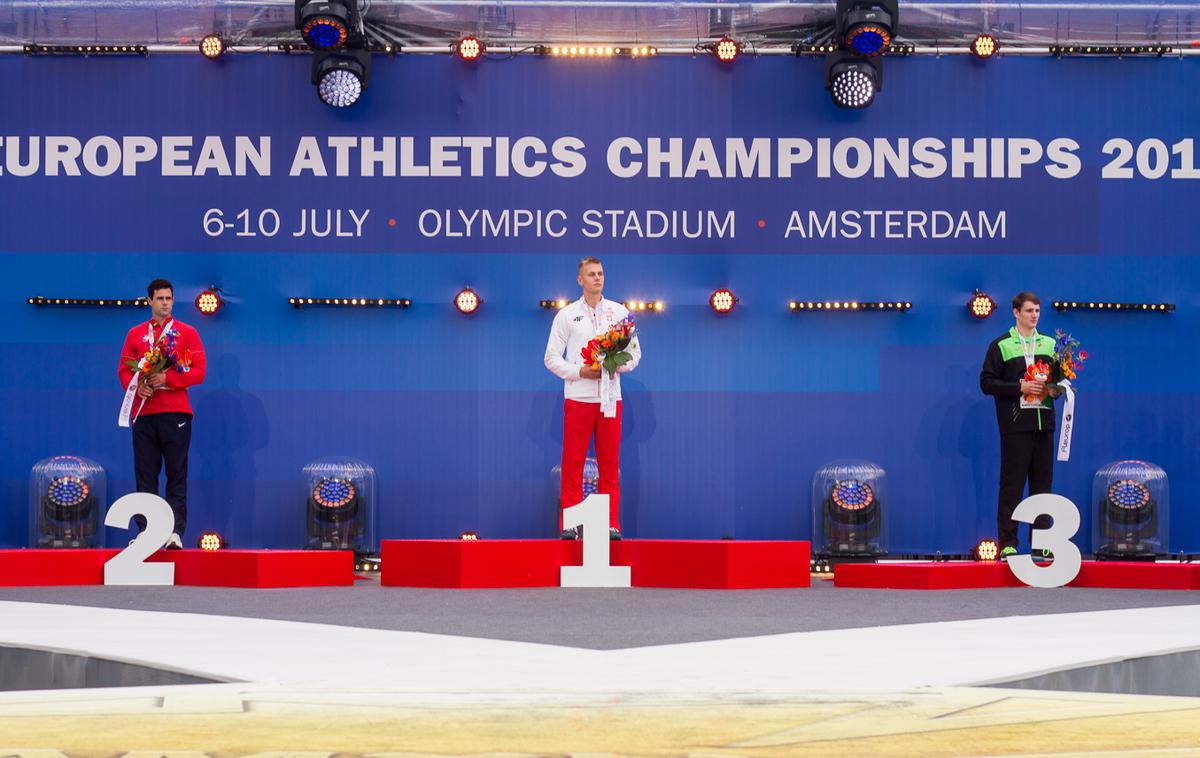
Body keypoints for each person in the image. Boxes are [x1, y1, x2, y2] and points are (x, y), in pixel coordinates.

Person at [544, 257, 641, 540]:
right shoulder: (566, 315)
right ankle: (570, 523)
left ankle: (611, 523)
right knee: (572, 463)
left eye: (600, 274)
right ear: (580, 280)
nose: (597, 278)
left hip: (611, 399)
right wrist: (580, 371)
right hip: (578, 398)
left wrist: (614, 365)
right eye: (591, 274)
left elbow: (635, 355)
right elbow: (550, 358)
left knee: (609, 464)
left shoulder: (619, 312)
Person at [118, 279, 207, 548]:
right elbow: (124, 371)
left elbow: (199, 371)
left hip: (176, 413)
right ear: (149, 301)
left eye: (169, 298)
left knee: (177, 474)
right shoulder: (135, 334)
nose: (165, 303)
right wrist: (139, 385)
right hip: (144, 414)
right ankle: (147, 532)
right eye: (160, 299)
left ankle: (174, 532)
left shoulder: (186, 333)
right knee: (145, 474)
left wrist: (167, 379)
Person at [980, 291, 1061, 560]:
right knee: (1012, 485)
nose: (1035, 315)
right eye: (1029, 311)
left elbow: (1059, 382)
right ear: (1016, 313)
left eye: (1037, 310)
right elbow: (987, 383)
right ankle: (1008, 543)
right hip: (1015, 426)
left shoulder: (1050, 345)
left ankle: (1041, 543)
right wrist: (1019, 387)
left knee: (1042, 486)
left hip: (1044, 424)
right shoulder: (1001, 345)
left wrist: (1056, 389)